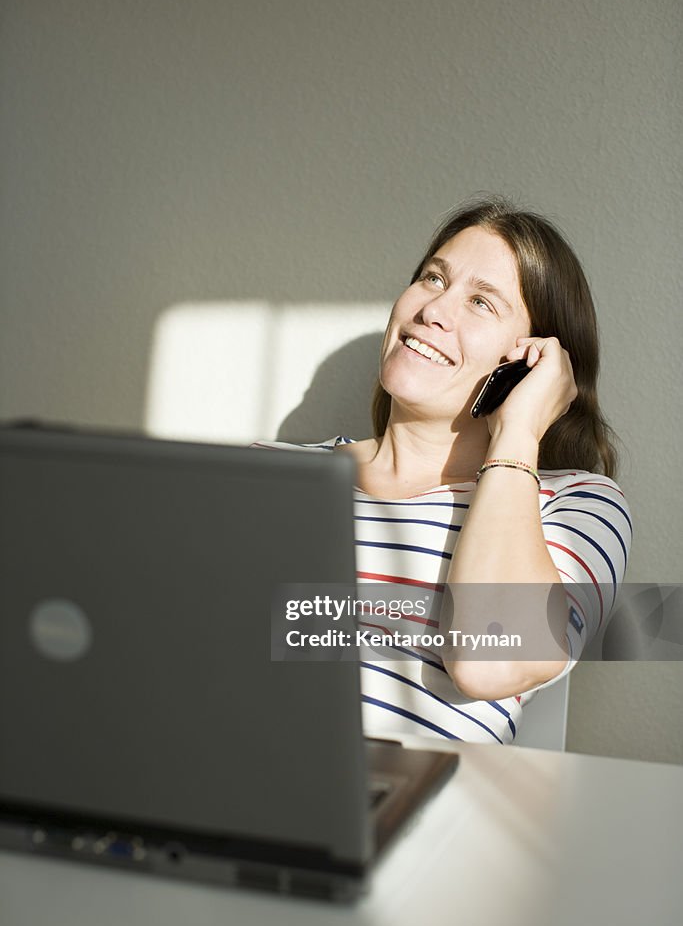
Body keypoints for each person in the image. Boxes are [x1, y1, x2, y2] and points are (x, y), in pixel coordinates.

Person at [255, 196, 632, 743]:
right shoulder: (262, 472)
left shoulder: (575, 504)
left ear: (531, 363)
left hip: (406, 815)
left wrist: (519, 436)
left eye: (482, 302)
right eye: (433, 278)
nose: (433, 310)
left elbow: (491, 662)